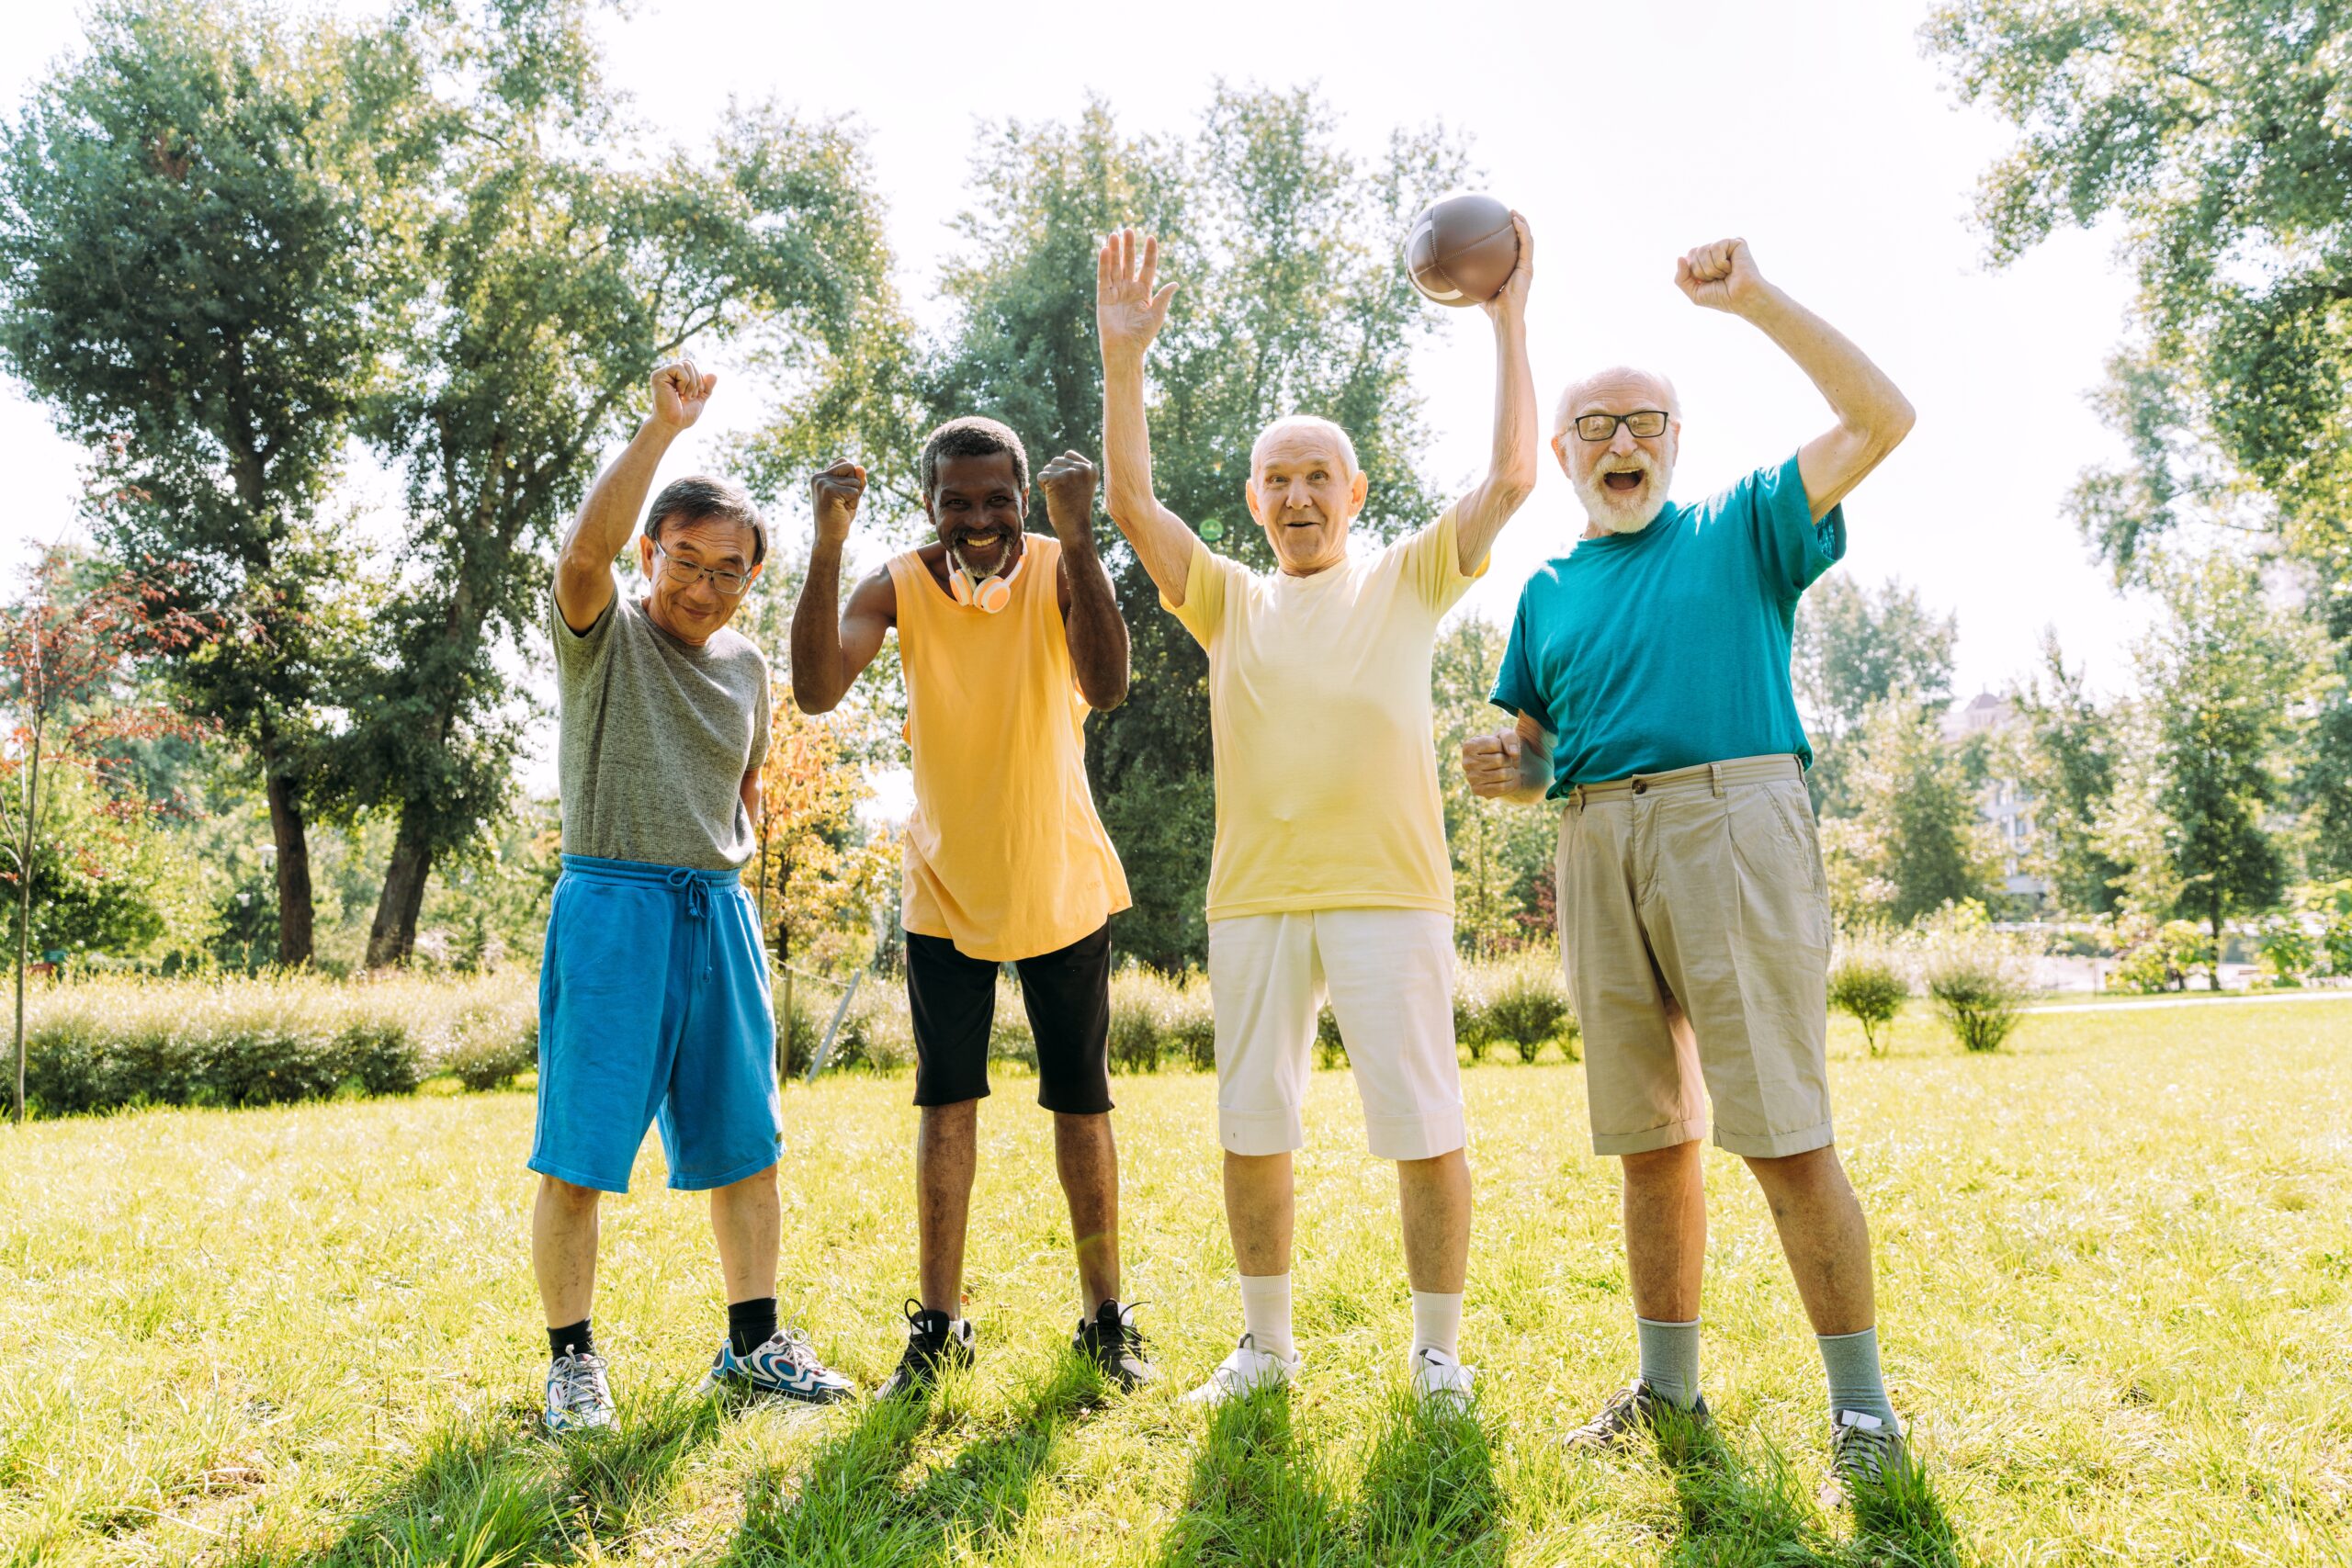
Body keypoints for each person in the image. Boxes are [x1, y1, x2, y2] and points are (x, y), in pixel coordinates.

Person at [1461, 237, 1917, 1496]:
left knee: (1780, 1127)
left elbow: (1884, 416)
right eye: (1595, 424)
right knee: (1652, 1138)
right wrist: (1514, 770)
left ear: (1676, 440)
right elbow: (1543, 750)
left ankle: (1866, 1415)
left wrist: (1758, 297)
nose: (1623, 440)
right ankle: (1667, 1388)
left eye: (1646, 420)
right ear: (1562, 455)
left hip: (1735, 823)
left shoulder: (1746, 524)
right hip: (1599, 838)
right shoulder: (1547, 588)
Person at [1094, 222, 1536, 1405]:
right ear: (1255, 500)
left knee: (1423, 1125)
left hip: (1390, 894)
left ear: (1353, 494)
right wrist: (1122, 356)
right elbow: (1132, 505)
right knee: (1253, 1126)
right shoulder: (1228, 601)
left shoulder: (1406, 576)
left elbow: (1507, 481)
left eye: (1316, 478)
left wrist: (1505, 318)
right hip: (1256, 900)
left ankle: (1437, 1352)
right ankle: (1266, 1347)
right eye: (1276, 479)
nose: (1297, 495)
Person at [789, 418, 1153, 1395]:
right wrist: (826, 544)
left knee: (1081, 1101)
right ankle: (939, 1327)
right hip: (945, 886)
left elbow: (1108, 684)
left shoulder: (1056, 561)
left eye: (998, 499)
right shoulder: (899, 582)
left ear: (1027, 497)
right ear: (929, 506)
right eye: (958, 500)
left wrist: (1080, 538)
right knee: (945, 1103)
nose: (979, 518)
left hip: (1059, 878)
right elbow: (818, 689)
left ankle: (1104, 1319)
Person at [531, 358, 855, 1433]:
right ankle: (572, 1364)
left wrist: (726, 864)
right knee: (580, 1149)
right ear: (649, 553)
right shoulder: (604, 634)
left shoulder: (749, 668)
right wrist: (659, 431)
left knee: (745, 1142)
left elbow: (745, 786)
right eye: (685, 560)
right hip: (612, 909)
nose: (703, 586)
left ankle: (755, 1345)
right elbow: (580, 553)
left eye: (729, 571)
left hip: (715, 912)